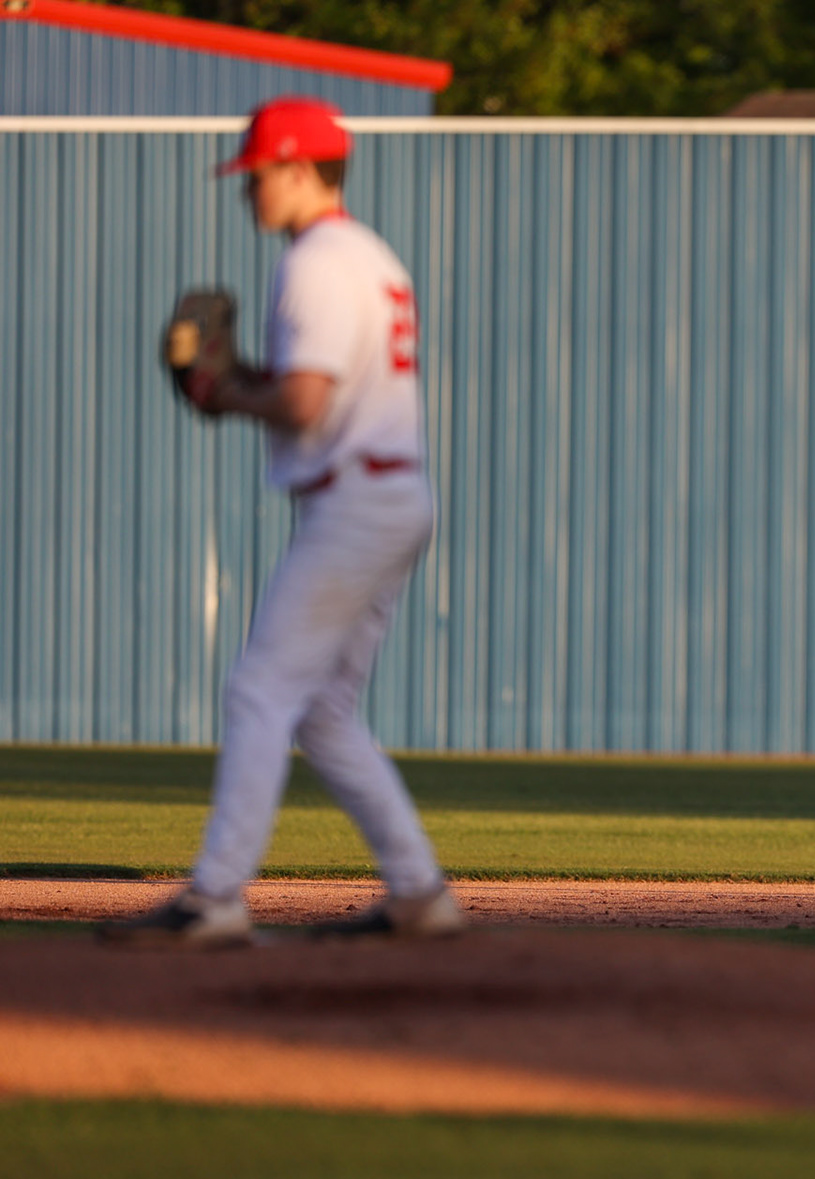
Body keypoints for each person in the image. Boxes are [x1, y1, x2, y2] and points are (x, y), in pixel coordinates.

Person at [101, 98, 461, 946]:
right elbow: (311, 387)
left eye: (258, 176)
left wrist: (223, 393)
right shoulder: (368, 255)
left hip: (355, 503)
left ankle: (216, 897)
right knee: (326, 711)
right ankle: (418, 893)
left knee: (261, 689)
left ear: (301, 169)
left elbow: (303, 404)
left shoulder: (317, 262)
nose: (249, 193)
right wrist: (248, 378)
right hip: (393, 495)